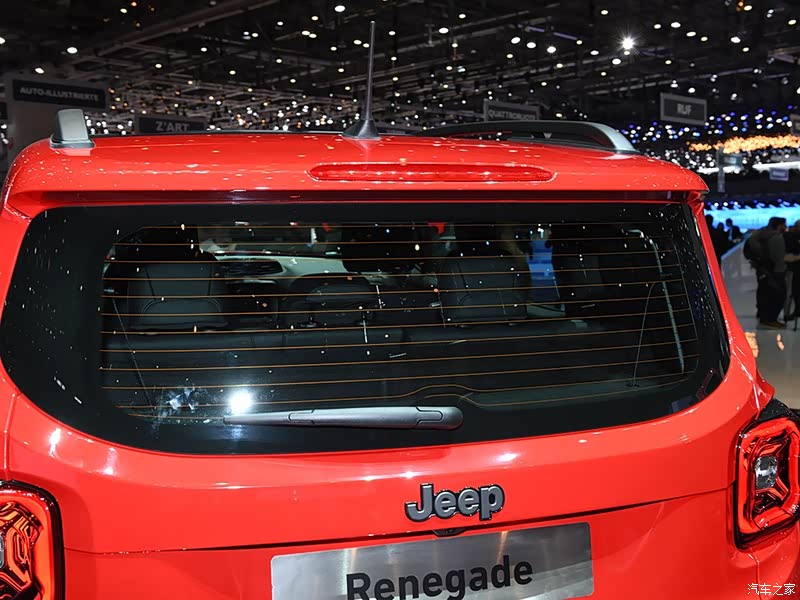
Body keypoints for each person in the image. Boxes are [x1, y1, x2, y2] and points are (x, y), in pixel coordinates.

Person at [745, 217, 789, 328]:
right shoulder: (776, 237)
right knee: (778, 295)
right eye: (784, 225)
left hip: (762, 269)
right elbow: (778, 258)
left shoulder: (761, 234)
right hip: (774, 271)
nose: (785, 227)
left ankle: (764, 317)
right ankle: (770, 320)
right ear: (779, 225)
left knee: (764, 293)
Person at [783, 220, 800, 320]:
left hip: (794, 267)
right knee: (794, 291)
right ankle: (796, 311)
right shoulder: (790, 237)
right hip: (794, 268)